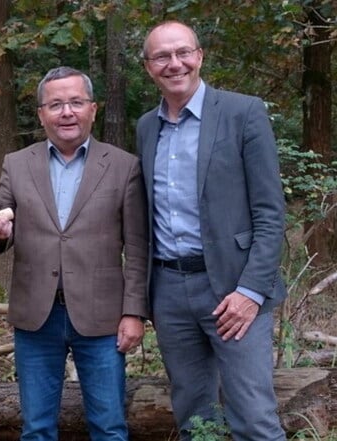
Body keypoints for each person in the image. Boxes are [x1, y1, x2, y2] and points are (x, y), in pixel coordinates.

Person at [136, 20, 287, 441]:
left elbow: (271, 213)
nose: (174, 63)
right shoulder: (147, 127)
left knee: (254, 419)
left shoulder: (243, 112)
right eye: (162, 57)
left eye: (183, 52)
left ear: (199, 56)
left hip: (233, 290)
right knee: (194, 418)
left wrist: (251, 293)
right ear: (149, 67)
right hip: (168, 290)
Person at [0, 66, 148, 441]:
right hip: (36, 317)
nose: (66, 112)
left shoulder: (124, 166)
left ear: (93, 108)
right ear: (41, 114)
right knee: (36, 429)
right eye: (55, 104)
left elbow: (137, 248)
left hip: (102, 319)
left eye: (76, 102)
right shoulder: (17, 163)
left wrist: (134, 313)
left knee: (109, 427)